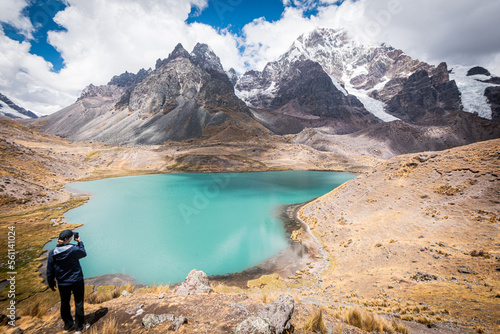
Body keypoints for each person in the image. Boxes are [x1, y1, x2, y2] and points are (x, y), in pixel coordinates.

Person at [47, 230, 87, 333]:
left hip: (62, 282)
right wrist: (79, 242)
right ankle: (79, 327)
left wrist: (51, 283)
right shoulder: (73, 249)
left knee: (64, 303)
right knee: (78, 302)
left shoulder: (53, 253)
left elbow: (49, 270)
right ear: (69, 239)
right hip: (76, 280)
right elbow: (83, 253)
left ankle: (68, 325)